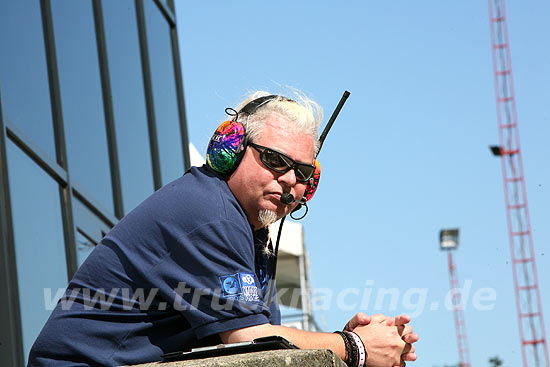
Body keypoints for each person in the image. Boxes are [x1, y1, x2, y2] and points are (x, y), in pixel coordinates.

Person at [29, 91, 418, 367]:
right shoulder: (209, 213)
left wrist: (347, 342)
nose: (288, 181)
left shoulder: (252, 234)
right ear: (228, 149)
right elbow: (248, 341)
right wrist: (354, 347)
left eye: (302, 172)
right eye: (273, 160)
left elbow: (265, 344)